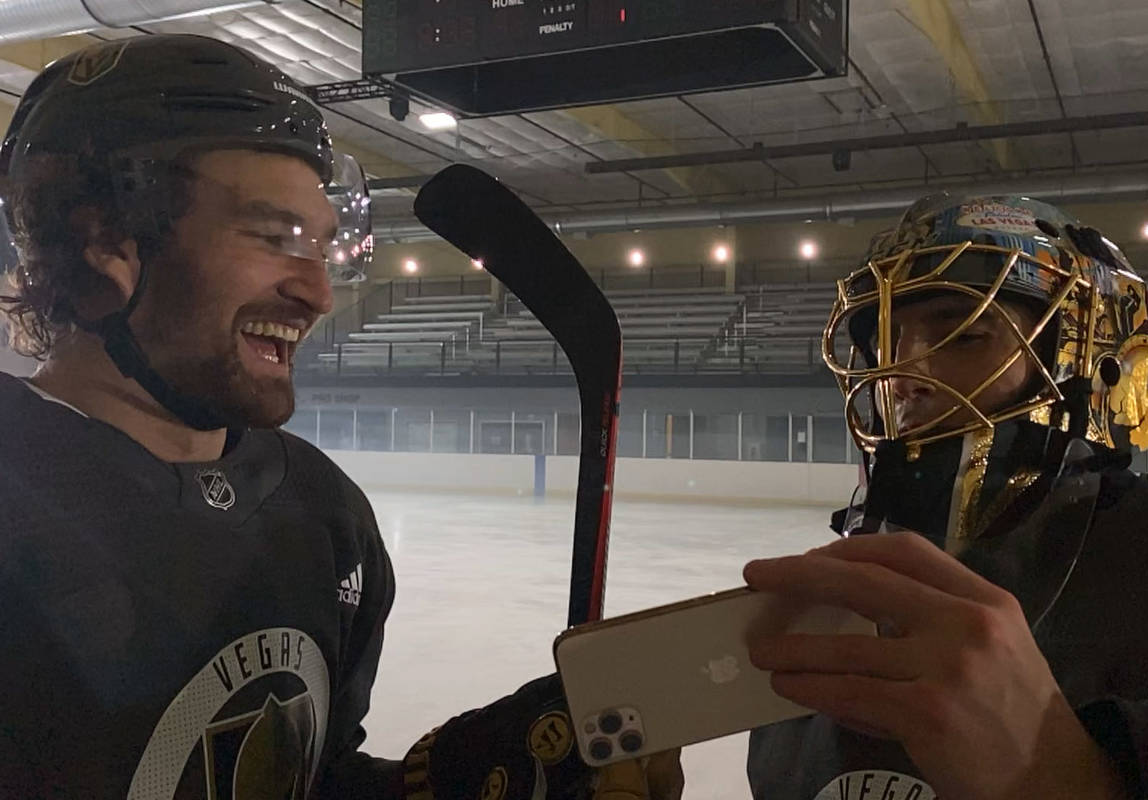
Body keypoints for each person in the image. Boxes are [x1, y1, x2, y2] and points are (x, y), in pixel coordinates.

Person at [0, 34, 682, 800]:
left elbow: (310, 778)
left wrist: (450, 780)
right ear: (104, 241)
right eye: (273, 237)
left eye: (324, 248)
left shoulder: (323, 517)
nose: (319, 294)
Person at [743, 194, 1148, 799]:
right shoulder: (833, 606)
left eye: (961, 334)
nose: (897, 376)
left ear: (1093, 360)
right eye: (886, 341)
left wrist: (1067, 776)